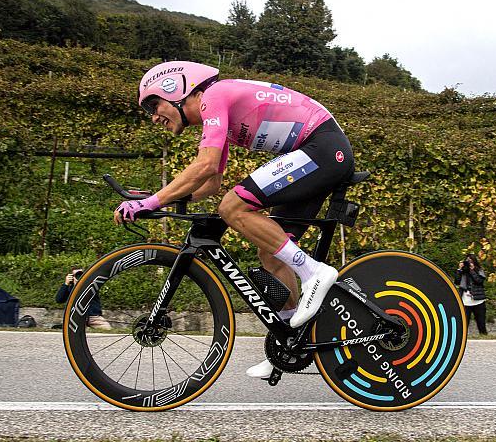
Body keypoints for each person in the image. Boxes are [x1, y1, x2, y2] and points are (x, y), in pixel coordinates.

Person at [114, 61, 355, 378]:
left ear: (177, 90)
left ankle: (315, 272)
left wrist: (153, 201)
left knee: (233, 207)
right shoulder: (215, 117)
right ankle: (290, 341)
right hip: (315, 151)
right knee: (270, 250)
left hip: (322, 148)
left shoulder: (214, 96)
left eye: (153, 105)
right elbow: (211, 183)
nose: (154, 116)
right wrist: (163, 198)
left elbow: (207, 165)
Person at [454, 254, 488, 335]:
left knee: (481, 323)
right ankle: (462, 339)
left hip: (478, 300)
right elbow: (457, 281)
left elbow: (479, 281)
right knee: (464, 324)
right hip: (465, 301)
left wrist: (472, 271)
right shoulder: (462, 272)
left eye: (471, 261)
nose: (469, 263)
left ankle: (484, 337)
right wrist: (459, 269)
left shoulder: (479, 270)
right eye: (467, 262)